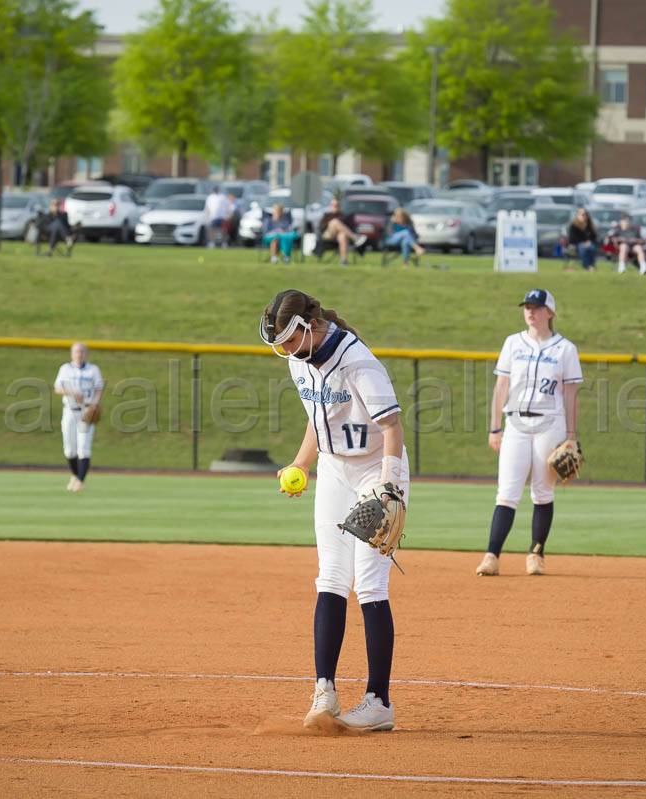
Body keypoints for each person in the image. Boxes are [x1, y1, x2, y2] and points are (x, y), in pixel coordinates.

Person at [260, 289, 409, 732]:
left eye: (289, 339)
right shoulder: (298, 361)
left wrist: (388, 487)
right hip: (333, 470)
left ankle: (379, 701)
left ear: (309, 327)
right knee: (330, 578)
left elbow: (392, 427)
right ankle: (324, 690)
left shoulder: (359, 362)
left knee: (368, 584)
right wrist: (301, 463)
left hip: (374, 472)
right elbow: (317, 415)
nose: (284, 350)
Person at [477, 289, 582, 577]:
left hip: (551, 423)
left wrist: (571, 435)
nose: (531, 312)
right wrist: (494, 427)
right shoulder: (513, 343)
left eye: (537, 307)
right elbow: (501, 387)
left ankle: (536, 554)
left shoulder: (565, 349)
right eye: (527, 307)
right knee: (507, 493)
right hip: (516, 424)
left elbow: (571, 393)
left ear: (550, 312)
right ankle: (491, 556)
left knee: (542, 491)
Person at [52, 342, 104, 493]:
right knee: (69, 449)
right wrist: (71, 393)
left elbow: (99, 388)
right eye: (76, 352)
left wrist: (94, 404)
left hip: (86, 412)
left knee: (83, 448)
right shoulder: (65, 369)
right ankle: (76, 476)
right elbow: (57, 388)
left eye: (81, 351)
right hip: (69, 410)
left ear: (86, 354)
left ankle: (80, 481)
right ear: (71, 354)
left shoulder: (93, 370)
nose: (79, 354)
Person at [317, 197, 367, 264]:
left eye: (337, 205)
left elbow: (349, 227)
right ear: (331, 206)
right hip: (328, 235)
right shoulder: (327, 215)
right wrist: (330, 224)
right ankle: (355, 238)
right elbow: (321, 227)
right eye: (334, 205)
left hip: (338, 237)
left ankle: (343, 261)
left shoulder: (343, 216)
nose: (335, 207)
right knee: (335, 222)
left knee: (342, 236)